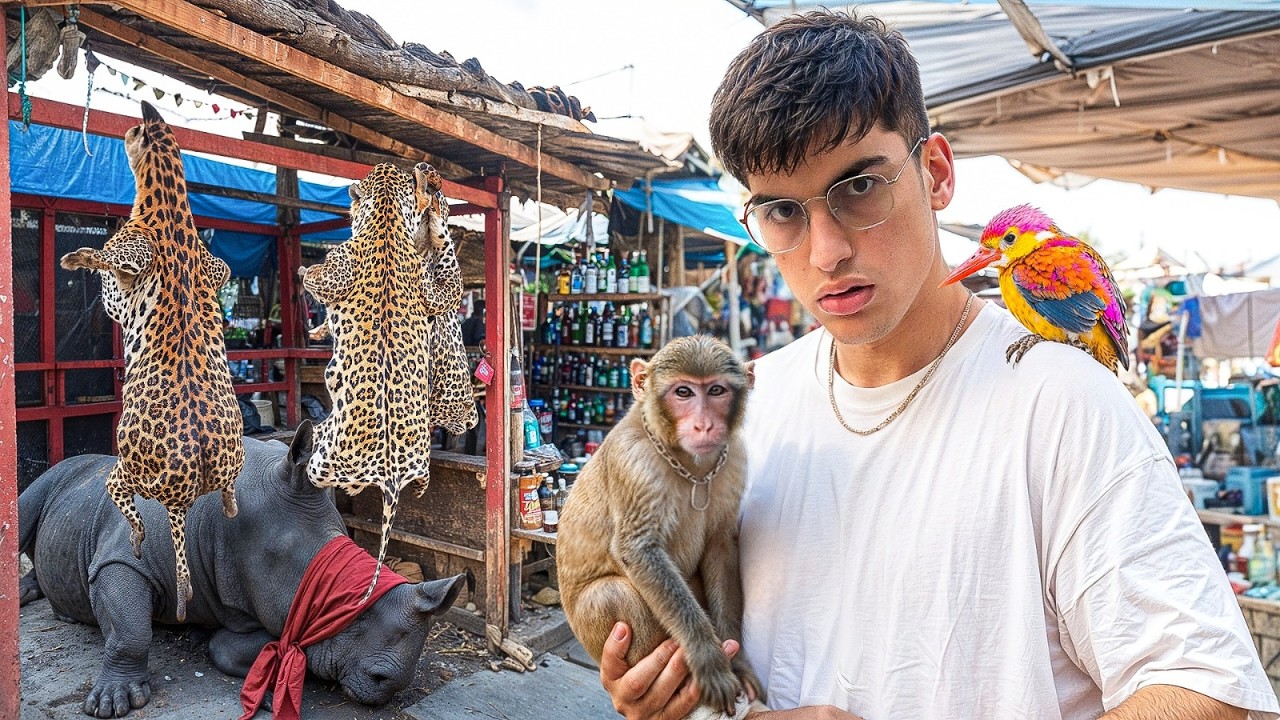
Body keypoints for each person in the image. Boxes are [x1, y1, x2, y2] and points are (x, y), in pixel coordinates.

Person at [599, 10, 1279, 720]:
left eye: (859, 188)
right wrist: (676, 688)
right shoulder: (750, 409)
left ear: (937, 174)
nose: (826, 252)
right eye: (782, 212)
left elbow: (1213, 692)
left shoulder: (1061, 402)